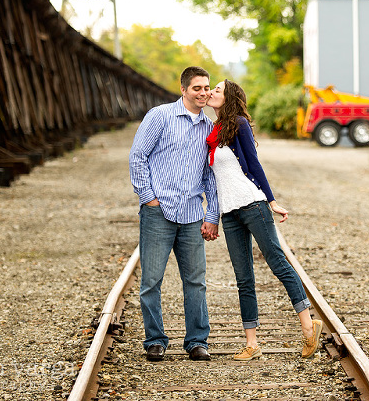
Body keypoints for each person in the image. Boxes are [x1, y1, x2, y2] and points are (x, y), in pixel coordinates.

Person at [204, 79, 322, 361]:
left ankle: (308, 327)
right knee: (243, 278)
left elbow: (254, 164)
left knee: (278, 262)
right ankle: (252, 344)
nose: (211, 93)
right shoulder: (213, 130)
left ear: (229, 96)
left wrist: (272, 200)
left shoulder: (239, 125)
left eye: (217, 90)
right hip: (230, 213)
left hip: (253, 204)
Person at [129, 66, 219, 362]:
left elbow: (210, 175)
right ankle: (155, 340)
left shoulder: (209, 128)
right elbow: (138, 156)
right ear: (183, 90)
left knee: (196, 281)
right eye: (197, 88)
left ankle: (196, 341)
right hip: (159, 213)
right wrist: (149, 198)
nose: (204, 93)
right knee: (151, 281)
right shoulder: (160, 116)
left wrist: (212, 214)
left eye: (206, 88)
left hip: (193, 213)